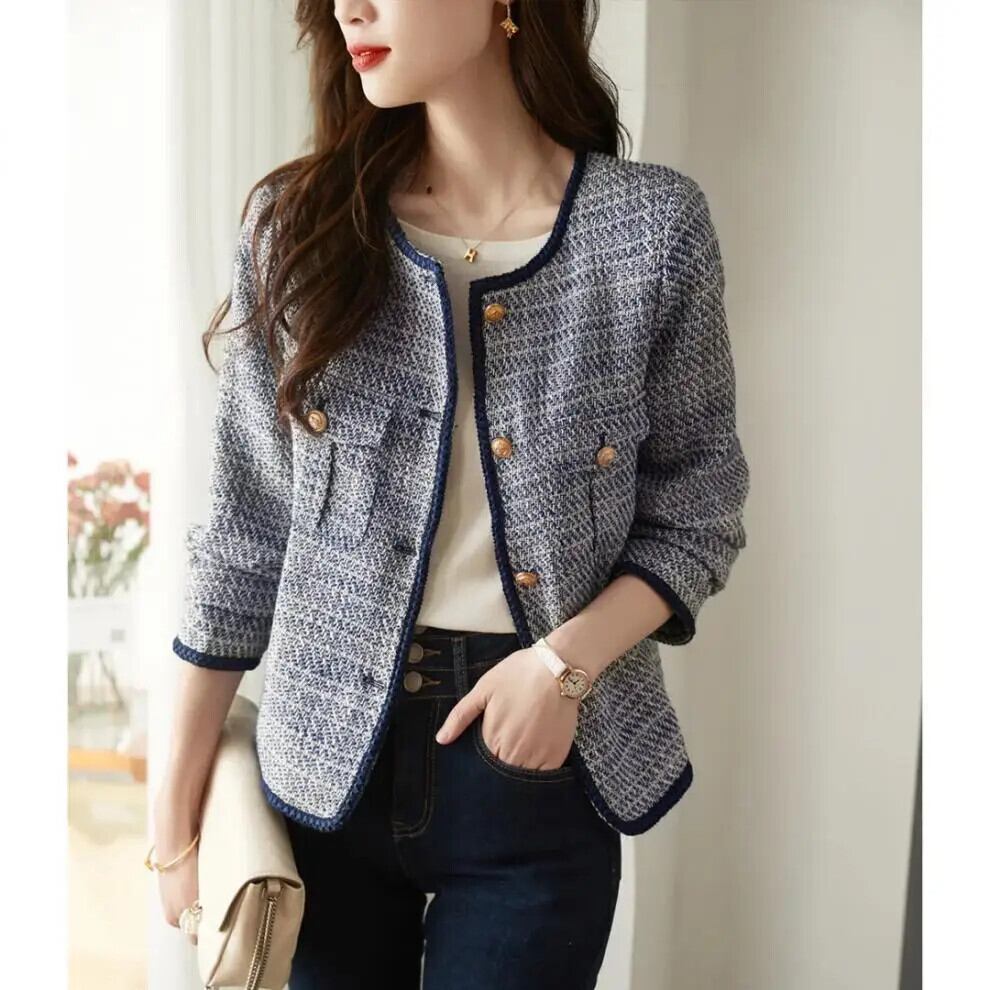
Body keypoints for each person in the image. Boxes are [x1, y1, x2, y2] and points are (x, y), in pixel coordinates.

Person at [152, 1, 750, 987]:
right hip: (323, 773)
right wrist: (172, 814)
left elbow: (699, 511)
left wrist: (561, 669)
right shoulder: (298, 227)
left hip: (537, 766)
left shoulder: (651, 232)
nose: (350, 7)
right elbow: (244, 534)